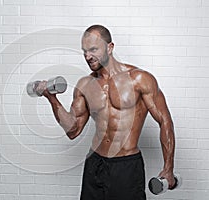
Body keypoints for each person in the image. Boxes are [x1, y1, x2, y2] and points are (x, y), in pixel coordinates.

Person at [36, 25, 175, 200]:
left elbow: (165, 121)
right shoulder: (85, 85)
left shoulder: (139, 79)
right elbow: (73, 130)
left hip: (126, 166)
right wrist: (51, 98)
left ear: (110, 47)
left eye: (93, 49)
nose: (87, 56)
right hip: (95, 164)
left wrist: (168, 167)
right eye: (84, 51)